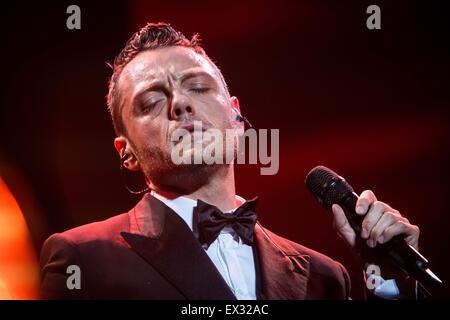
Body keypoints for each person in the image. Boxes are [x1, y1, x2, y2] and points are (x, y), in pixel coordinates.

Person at [39, 22, 420, 299]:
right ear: (127, 153)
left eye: (198, 87)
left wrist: (384, 276)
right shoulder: (82, 258)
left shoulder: (324, 276)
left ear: (237, 118)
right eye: (151, 101)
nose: (181, 103)